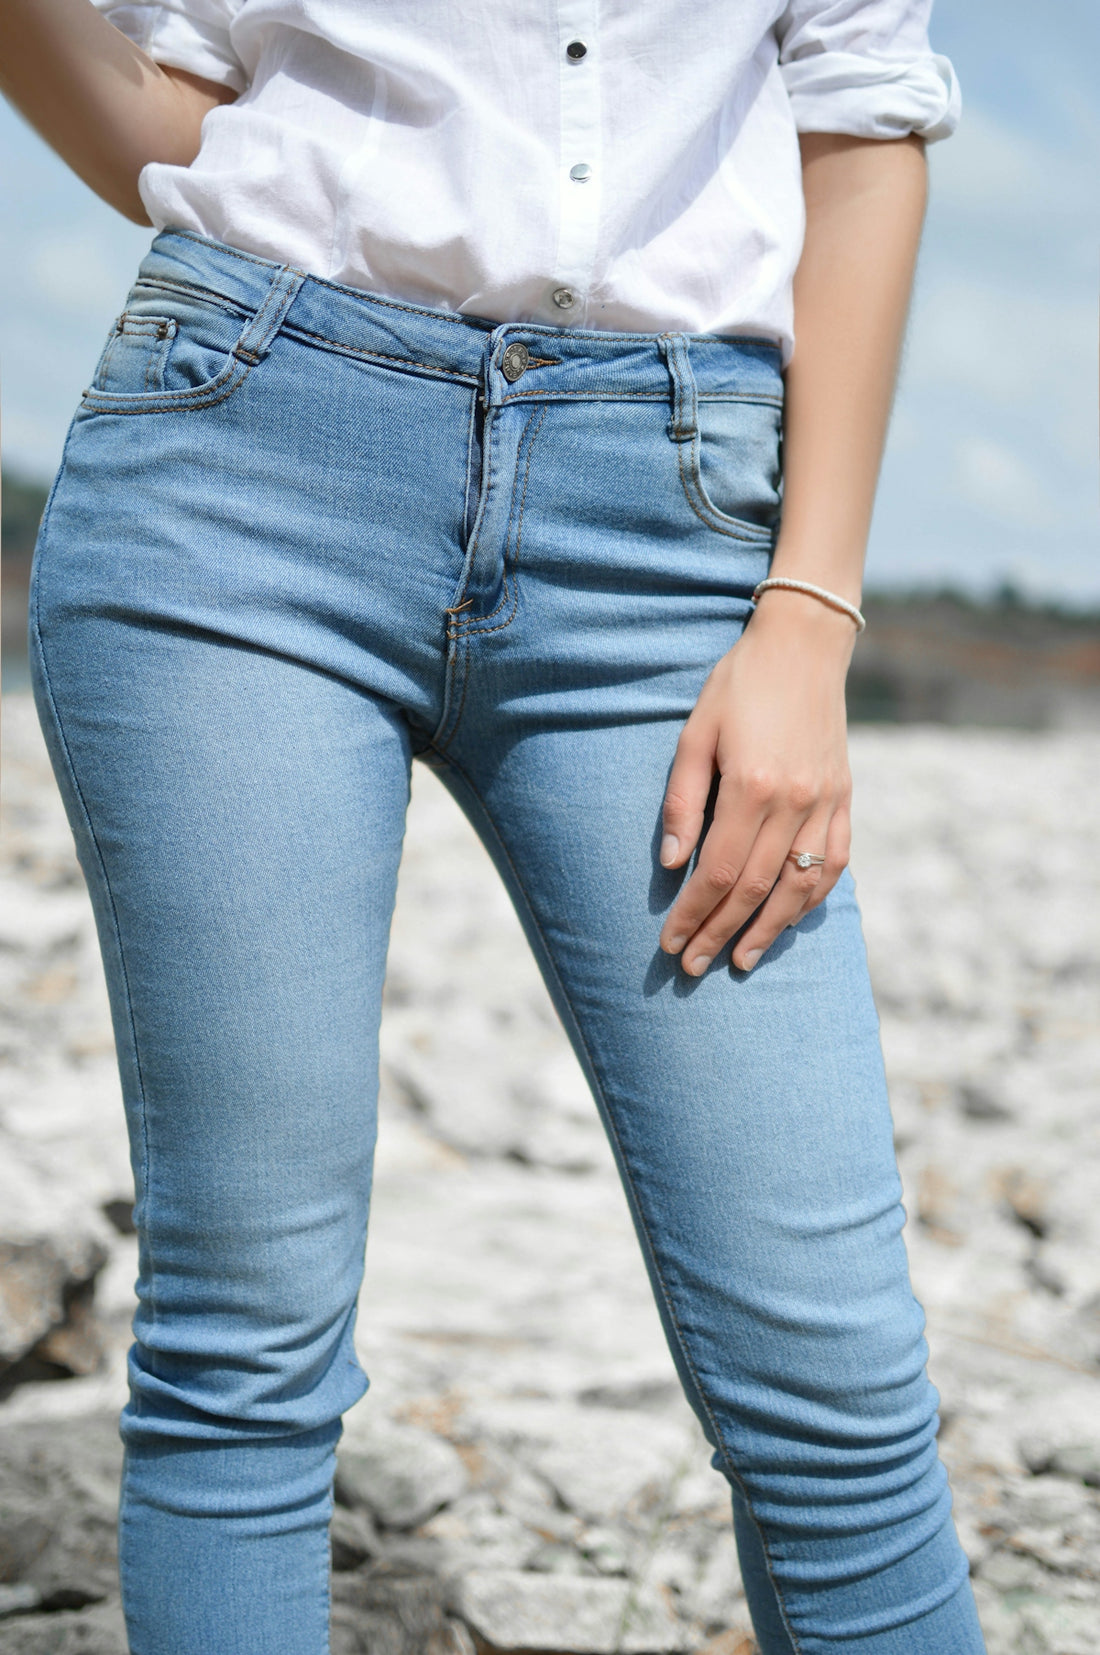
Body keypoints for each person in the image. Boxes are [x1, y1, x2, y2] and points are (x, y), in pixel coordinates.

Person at [1, 1, 988, 1650]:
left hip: (665, 537)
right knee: (244, 1349)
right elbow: (173, 114)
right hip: (244, 474)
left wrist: (809, 614)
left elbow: (861, 123)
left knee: (835, 1382)